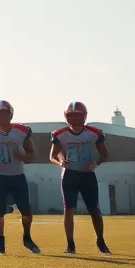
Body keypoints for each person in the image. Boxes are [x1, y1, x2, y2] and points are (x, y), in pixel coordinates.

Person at [0, 101, 40, 255]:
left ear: (10, 114)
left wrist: (23, 156)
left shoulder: (21, 131)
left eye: (3, 113)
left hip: (17, 176)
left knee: (26, 211)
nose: (0, 116)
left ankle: (27, 237)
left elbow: (32, 155)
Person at [51, 101, 111, 255]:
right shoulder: (60, 134)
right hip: (69, 174)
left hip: (87, 174)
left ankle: (100, 240)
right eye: (71, 116)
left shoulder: (94, 133)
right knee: (68, 209)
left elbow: (104, 154)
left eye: (77, 116)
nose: (75, 120)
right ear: (66, 117)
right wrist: (60, 161)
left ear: (84, 117)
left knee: (94, 210)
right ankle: (70, 244)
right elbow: (52, 155)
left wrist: (96, 163)